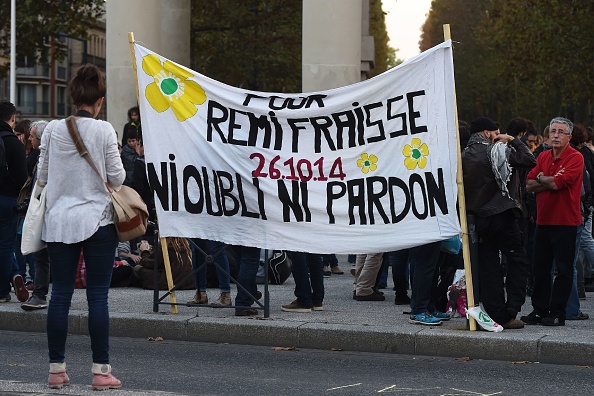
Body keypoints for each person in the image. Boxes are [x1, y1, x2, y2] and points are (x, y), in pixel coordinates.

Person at [37, 65, 125, 390]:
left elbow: (42, 175)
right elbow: (118, 178)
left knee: (59, 296)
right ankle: (101, 372)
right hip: (98, 220)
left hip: (59, 220)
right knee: (97, 297)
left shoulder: (51, 130)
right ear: (99, 100)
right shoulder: (104, 130)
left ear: (72, 96)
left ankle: (56, 370)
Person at [462, 116, 535, 329]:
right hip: (502, 215)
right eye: (496, 132)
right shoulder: (499, 151)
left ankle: (496, 313)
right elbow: (530, 160)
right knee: (517, 260)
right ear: (488, 133)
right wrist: (512, 139)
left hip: (477, 218)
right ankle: (511, 309)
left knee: (489, 267)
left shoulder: (463, 154)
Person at [522, 117, 583, 326]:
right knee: (540, 269)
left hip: (566, 222)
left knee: (564, 270)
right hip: (543, 220)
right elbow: (528, 184)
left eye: (560, 132)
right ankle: (539, 310)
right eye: (553, 131)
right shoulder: (544, 156)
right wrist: (544, 179)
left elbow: (557, 184)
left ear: (569, 137)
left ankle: (558, 312)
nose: (555, 135)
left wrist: (541, 179)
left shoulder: (576, 157)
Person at [21, 120, 53, 311]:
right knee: (40, 255)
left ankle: (41, 294)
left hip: (48, 213)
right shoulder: (38, 157)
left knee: (44, 257)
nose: (29, 138)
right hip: (39, 211)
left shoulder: (48, 159)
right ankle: (40, 294)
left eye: (32, 136)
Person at [0, 101, 29, 304]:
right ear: (13, 119)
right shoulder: (14, 144)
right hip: (7, 200)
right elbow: (22, 178)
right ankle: (2, 290)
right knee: (5, 245)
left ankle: (15, 273)